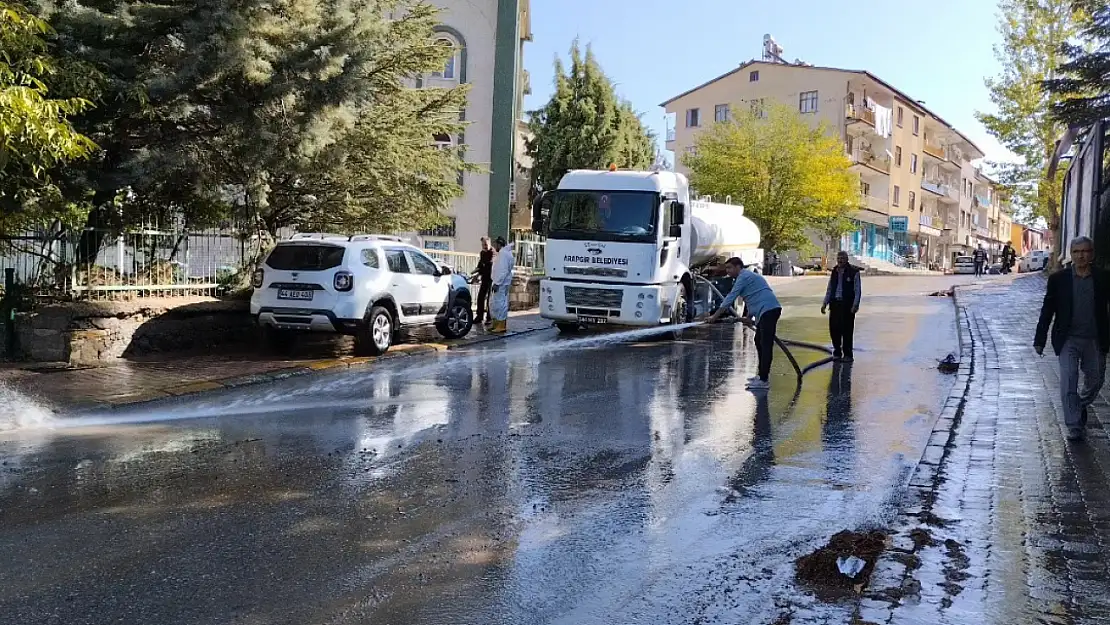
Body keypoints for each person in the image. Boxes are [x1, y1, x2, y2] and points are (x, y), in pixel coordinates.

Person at [1034, 236, 1110, 442]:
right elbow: (1047, 309)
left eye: (1085, 251)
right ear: (1071, 254)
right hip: (1068, 339)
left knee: (1095, 381)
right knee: (1068, 381)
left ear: (1091, 254)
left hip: (1094, 339)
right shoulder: (1059, 279)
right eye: (1076, 252)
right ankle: (1074, 425)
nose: (1081, 255)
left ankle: (1080, 405)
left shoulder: (1103, 278)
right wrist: (1040, 338)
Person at [705, 257, 783, 392]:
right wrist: (748, 317)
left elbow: (730, 297)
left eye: (729, 268)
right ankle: (761, 376)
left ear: (738, 267)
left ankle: (764, 380)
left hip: (769, 310)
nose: (727, 271)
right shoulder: (747, 277)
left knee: (765, 345)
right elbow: (753, 297)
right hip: (765, 310)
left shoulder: (744, 276)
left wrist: (714, 316)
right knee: (758, 341)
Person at [821, 251, 862, 362]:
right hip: (835, 305)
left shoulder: (854, 272)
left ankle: (848, 355)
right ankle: (837, 353)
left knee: (847, 331)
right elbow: (830, 288)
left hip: (847, 305)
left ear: (847, 259)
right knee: (834, 329)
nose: (840, 260)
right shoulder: (834, 271)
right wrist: (825, 303)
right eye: (838, 258)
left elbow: (857, 291)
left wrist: (855, 305)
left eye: (842, 258)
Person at [489, 236, 515, 334]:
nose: (494, 246)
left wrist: (497, 283)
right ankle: (497, 324)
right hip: (503, 282)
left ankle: (500, 325)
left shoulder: (503, 254)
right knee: (498, 303)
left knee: (499, 304)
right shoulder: (507, 253)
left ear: (499, 244)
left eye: (495, 244)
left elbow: (502, 270)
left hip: (500, 283)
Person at [470, 237, 494, 327]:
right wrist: (475, 272)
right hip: (485, 277)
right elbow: (481, 264)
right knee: (480, 297)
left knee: (489, 299)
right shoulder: (482, 253)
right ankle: (479, 317)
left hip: (492, 278)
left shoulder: (492, 252)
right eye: (483, 244)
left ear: (489, 243)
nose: (485, 246)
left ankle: (489, 318)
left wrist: (478, 273)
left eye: (486, 244)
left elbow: (488, 265)